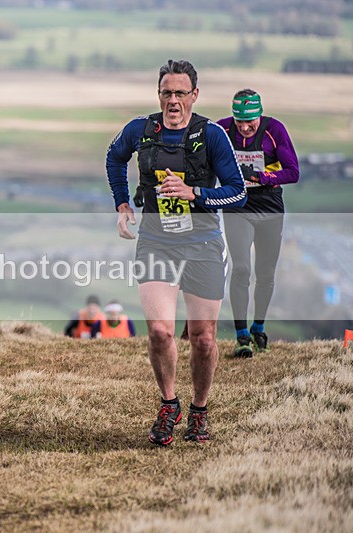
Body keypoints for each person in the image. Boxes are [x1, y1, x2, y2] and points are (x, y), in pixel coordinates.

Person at [105, 59, 247, 445]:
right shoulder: (140, 130)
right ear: (159, 95)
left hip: (202, 244)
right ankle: (170, 404)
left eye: (180, 93)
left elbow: (237, 192)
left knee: (202, 338)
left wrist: (195, 193)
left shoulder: (212, 135)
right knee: (161, 332)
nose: (172, 100)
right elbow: (114, 158)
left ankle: (199, 411)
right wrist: (122, 204)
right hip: (156, 241)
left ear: (194, 95)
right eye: (166, 92)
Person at [217, 90, 299, 357]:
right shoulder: (222, 128)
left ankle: (258, 327)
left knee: (266, 273)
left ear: (260, 115)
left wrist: (260, 176)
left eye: (249, 121)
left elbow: (293, 172)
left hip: (269, 205)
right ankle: (241, 336)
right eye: (239, 120)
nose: (244, 127)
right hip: (237, 205)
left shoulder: (275, 130)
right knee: (240, 268)